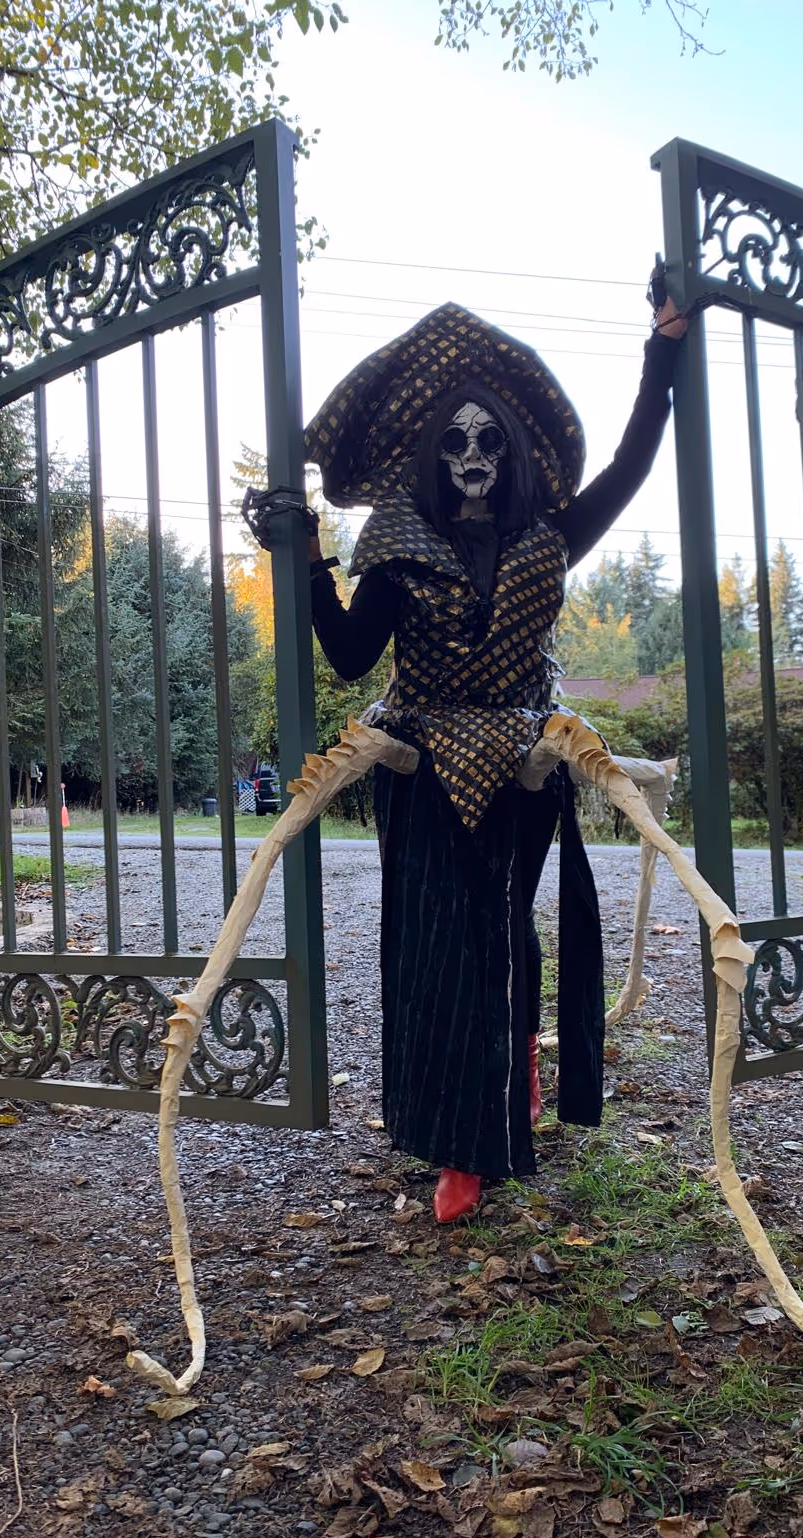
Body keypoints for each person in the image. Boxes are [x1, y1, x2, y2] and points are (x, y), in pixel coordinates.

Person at [271, 296, 685, 1223]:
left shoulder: (552, 536)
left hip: (525, 765)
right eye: (458, 445)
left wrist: (660, 357)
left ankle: (515, 1082)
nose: (473, 463)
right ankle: (459, 1145)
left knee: (504, 932)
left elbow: (631, 461)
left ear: (512, 454)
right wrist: (306, 565)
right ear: (433, 454)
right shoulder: (394, 547)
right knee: (438, 945)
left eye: (489, 444)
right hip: (419, 765)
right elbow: (345, 655)